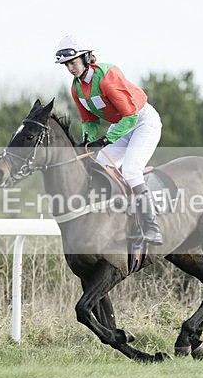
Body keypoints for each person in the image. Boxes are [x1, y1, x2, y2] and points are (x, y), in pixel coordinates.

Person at [55, 34, 163, 245]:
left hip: (142, 121)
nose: (70, 68)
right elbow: (89, 119)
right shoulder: (76, 88)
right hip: (122, 125)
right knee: (100, 165)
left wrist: (104, 141)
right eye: (66, 65)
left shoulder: (107, 76)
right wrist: (87, 141)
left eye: (73, 62)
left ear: (86, 58)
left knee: (131, 170)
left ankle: (152, 228)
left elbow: (131, 116)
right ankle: (119, 217)